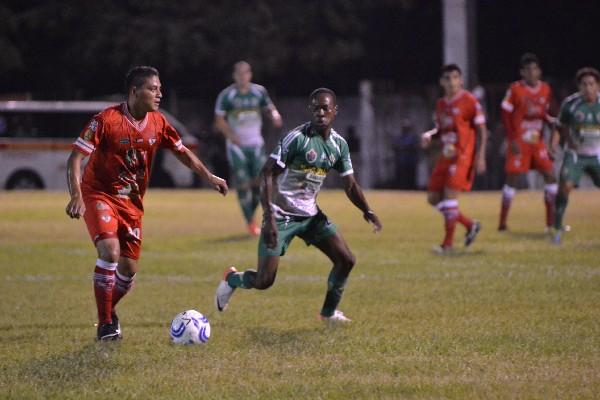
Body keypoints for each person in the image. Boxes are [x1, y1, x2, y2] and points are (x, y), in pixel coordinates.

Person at [65, 66, 228, 340]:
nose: (159, 94)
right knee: (109, 251)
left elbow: (183, 152)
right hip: (99, 194)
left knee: (127, 273)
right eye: (153, 89)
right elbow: (75, 158)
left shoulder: (158, 122)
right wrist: (77, 195)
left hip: (132, 203)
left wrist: (209, 176)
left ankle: (108, 311)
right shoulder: (106, 120)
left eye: (160, 89)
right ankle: (106, 325)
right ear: (134, 91)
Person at [214, 88, 382, 322]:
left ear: (335, 111)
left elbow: (351, 185)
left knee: (346, 260)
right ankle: (232, 279)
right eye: (315, 108)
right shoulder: (298, 139)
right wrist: (270, 218)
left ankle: (328, 314)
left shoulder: (339, 145)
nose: (320, 112)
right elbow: (266, 174)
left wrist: (367, 210)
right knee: (264, 280)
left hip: (310, 216)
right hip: (280, 216)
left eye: (325, 108)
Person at [421, 64, 488, 253]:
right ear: (442, 82)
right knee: (433, 198)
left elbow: (482, 130)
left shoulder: (469, 101)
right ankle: (469, 225)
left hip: (463, 156)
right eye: (448, 78)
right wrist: (430, 135)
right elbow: (442, 130)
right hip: (446, 155)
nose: (452, 82)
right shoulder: (441, 104)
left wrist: (480, 155)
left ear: (461, 80)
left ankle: (447, 245)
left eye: (455, 77)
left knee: (450, 198)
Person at [214, 61, 283, 236]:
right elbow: (219, 120)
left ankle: (252, 215)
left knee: (260, 183)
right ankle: (250, 222)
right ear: (234, 75)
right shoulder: (227, 95)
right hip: (237, 146)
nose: (243, 76)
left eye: (246, 73)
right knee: (243, 183)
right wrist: (231, 135)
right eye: (239, 73)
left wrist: (275, 116)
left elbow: (270, 108)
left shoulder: (259, 92)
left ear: (250, 74)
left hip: (256, 144)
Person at [498, 53, 558, 232]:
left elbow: (543, 113)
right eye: (528, 70)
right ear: (522, 73)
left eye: (535, 69)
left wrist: (550, 121)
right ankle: (502, 223)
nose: (532, 73)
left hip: (536, 141)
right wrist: (512, 139)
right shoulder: (515, 89)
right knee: (513, 179)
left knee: (550, 176)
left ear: (539, 71)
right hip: (519, 141)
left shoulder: (546, 89)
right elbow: (505, 113)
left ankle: (550, 223)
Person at [552, 67, 600, 244]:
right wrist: (553, 146)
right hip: (576, 155)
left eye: (591, 84)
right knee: (565, 188)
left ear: (597, 86)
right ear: (579, 87)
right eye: (584, 84)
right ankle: (556, 227)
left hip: (597, 155)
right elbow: (559, 126)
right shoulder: (570, 104)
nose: (588, 88)